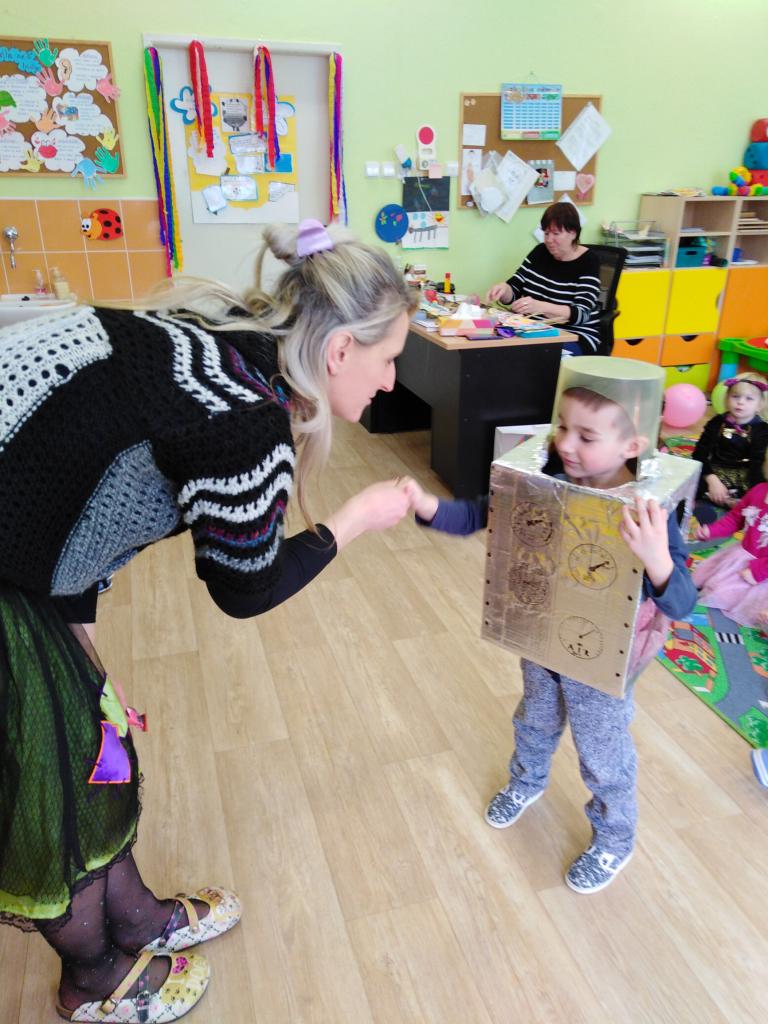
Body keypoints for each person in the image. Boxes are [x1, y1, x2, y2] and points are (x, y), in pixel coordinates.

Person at [0, 219, 416, 1022]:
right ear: (340, 351)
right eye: (389, 357)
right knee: (58, 785)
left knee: (94, 744)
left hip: (20, 548)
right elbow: (245, 591)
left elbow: (69, 489)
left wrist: (84, 655)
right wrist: (354, 521)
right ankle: (92, 977)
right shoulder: (244, 422)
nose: (393, 381)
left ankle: (133, 917)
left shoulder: (220, 342)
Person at [403, 357, 697, 894]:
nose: (566, 443)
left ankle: (614, 837)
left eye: (587, 436)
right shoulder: (550, 477)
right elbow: (481, 514)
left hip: (605, 667)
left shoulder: (651, 508)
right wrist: (428, 507)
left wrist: (657, 559)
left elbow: (682, 602)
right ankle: (527, 780)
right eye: (562, 426)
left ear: (631, 446)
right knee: (534, 720)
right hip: (544, 638)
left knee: (603, 757)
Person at [484, 201, 602, 355]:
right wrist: (503, 290)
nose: (549, 240)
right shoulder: (540, 252)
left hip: (574, 336)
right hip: (533, 330)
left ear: (573, 233)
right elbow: (515, 288)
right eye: (546, 233)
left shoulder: (588, 261)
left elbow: (581, 314)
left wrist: (539, 307)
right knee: (491, 349)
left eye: (556, 234)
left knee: (524, 358)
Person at [693, 470, 768, 627]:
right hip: (740, 557)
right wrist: (711, 531)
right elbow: (735, 518)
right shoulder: (759, 490)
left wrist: (758, 572)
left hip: (762, 572)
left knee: (723, 596)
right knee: (702, 578)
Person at [691, 372, 768, 525]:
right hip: (715, 469)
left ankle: (731, 502)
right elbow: (699, 453)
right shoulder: (717, 422)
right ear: (727, 399)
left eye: (749, 399)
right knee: (688, 481)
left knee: (757, 497)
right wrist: (712, 480)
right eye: (735, 396)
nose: (740, 402)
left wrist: (754, 495)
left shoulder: (761, 430)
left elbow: (757, 464)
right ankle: (719, 499)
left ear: (759, 405)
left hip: (743, 474)